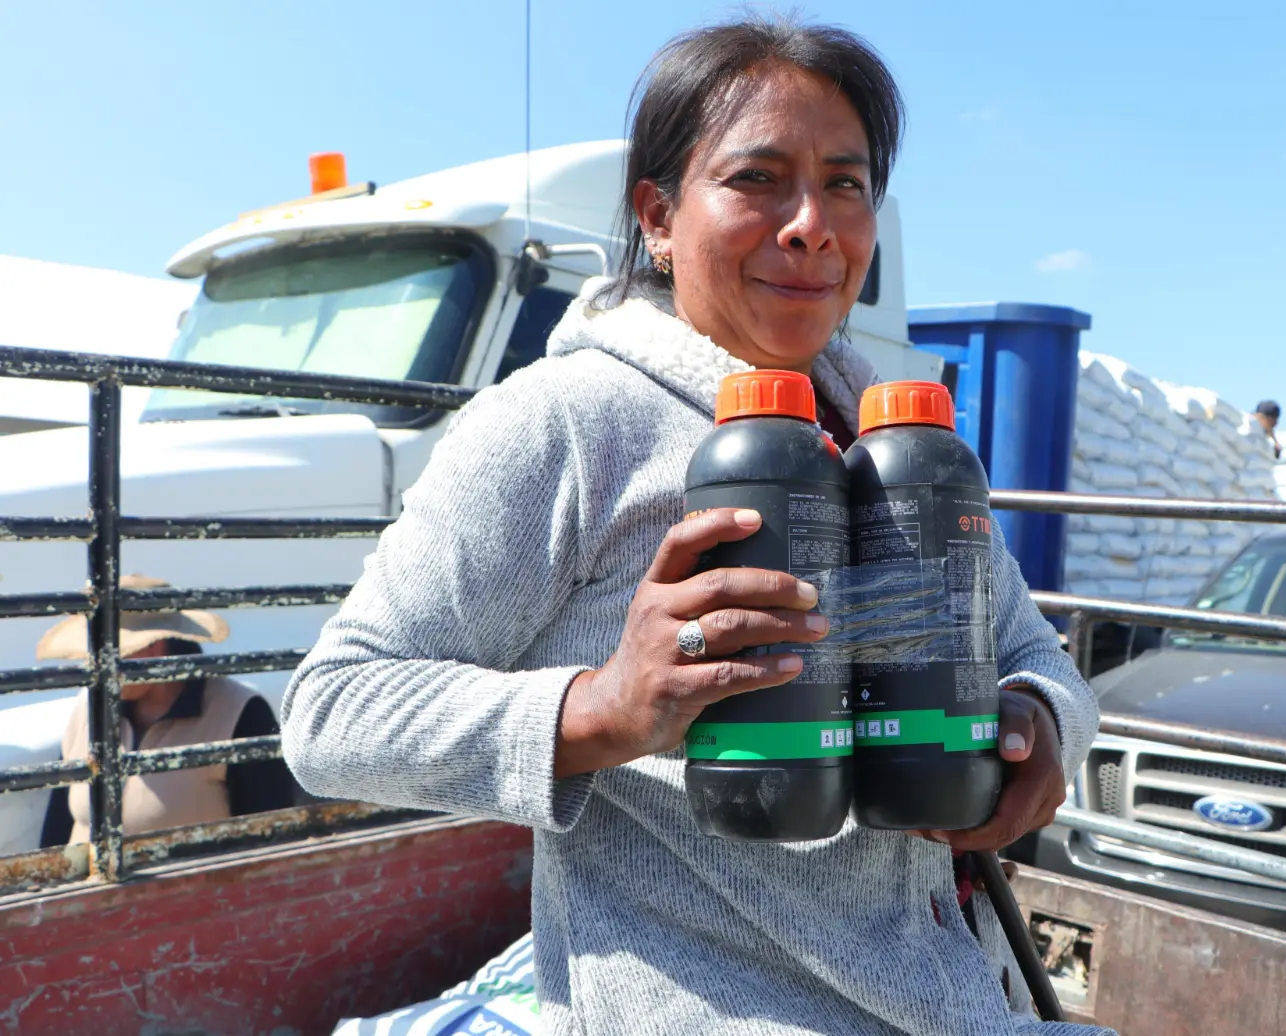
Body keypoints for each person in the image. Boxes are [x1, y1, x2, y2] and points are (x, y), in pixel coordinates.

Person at [283, 17, 1105, 1036]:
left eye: (845, 185)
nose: (811, 225)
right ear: (658, 217)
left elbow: (1031, 653)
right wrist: (603, 708)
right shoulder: (567, 423)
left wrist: (1035, 725)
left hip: (959, 994)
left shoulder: (889, 441)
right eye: (757, 179)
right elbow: (330, 714)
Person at [38, 574, 298, 847]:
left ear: (154, 647)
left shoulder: (240, 715)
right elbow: (57, 830)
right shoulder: (89, 705)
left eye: (108, 655)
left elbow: (271, 844)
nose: (96, 668)